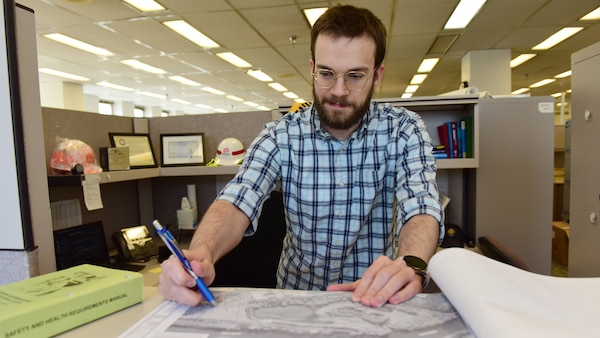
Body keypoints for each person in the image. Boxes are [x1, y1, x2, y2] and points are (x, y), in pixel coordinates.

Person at [159, 4, 444, 308]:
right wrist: (201, 254)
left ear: (377, 75)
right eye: (326, 73)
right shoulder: (280, 135)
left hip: (376, 299)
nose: (338, 90)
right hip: (295, 302)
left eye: (355, 76)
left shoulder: (403, 129)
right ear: (312, 69)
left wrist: (412, 263)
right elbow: (237, 199)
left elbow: (421, 204)